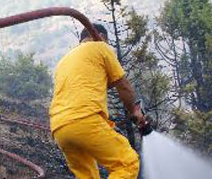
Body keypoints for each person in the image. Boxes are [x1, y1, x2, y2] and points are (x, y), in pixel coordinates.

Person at [49, 23, 146, 179]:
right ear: (101, 37)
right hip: (84, 119)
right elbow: (123, 85)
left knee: (88, 176)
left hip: (59, 128)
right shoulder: (100, 47)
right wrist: (135, 110)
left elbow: (88, 85)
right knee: (127, 162)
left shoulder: (64, 61)